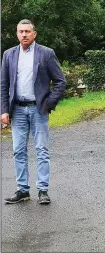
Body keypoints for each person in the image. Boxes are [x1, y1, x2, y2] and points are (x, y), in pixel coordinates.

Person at [1, 19, 66, 204]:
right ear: (16, 33)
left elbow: (60, 82)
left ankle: (43, 190)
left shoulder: (46, 53)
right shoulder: (9, 55)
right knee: (18, 151)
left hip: (39, 109)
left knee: (41, 150)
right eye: (20, 31)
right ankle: (23, 190)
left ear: (34, 34)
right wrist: (4, 110)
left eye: (27, 31)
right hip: (18, 110)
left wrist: (48, 103)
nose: (24, 35)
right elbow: (3, 84)